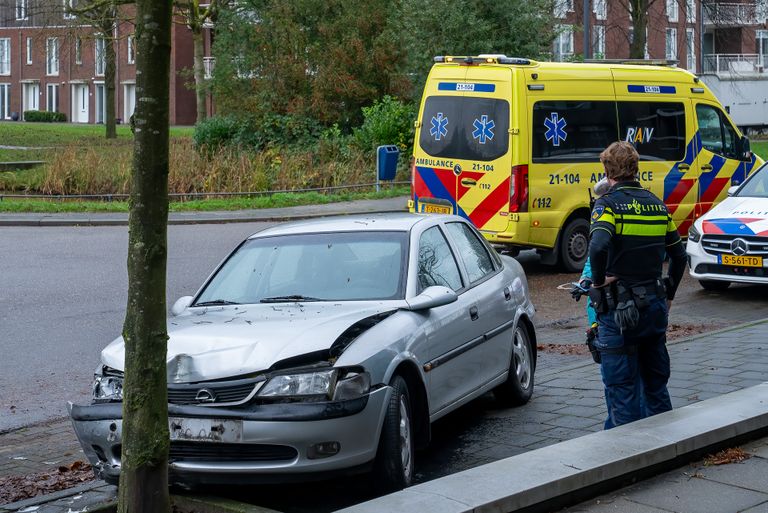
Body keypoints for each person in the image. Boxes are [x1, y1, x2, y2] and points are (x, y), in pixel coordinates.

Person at [587, 141, 687, 429]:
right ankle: (666, 452)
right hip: (654, 308)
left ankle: (627, 462)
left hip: (620, 312)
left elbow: (597, 247)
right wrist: (669, 293)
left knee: (623, 392)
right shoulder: (657, 205)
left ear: (608, 172)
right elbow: (679, 256)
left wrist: (599, 281)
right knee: (656, 387)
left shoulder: (607, 205)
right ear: (635, 169)